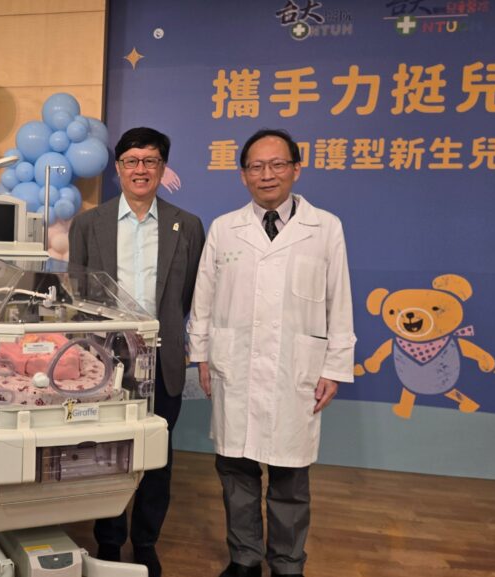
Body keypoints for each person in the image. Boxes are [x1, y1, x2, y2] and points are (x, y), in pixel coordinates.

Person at [188, 129, 356, 577]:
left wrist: (334, 367)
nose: (267, 175)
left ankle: (287, 563)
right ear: (243, 175)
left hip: (295, 370)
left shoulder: (325, 228)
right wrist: (201, 355)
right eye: (256, 166)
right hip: (234, 365)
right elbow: (204, 298)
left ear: (296, 169)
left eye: (277, 164)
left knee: (290, 475)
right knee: (235, 469)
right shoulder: (225, 228)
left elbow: (339, 301)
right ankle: (244, 559)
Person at [69, 127, 205, 577]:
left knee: (156, 458)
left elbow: (190, 295)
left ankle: (146, 542)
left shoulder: (187, 225)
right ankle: (109, 541)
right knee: (106, 457)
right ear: (118, 168)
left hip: (162, 362)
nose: (140, 170)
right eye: (131, 161)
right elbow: (78, 296)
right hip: (105, 362)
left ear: (163, 168)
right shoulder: (89, 224)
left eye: (150, 161)